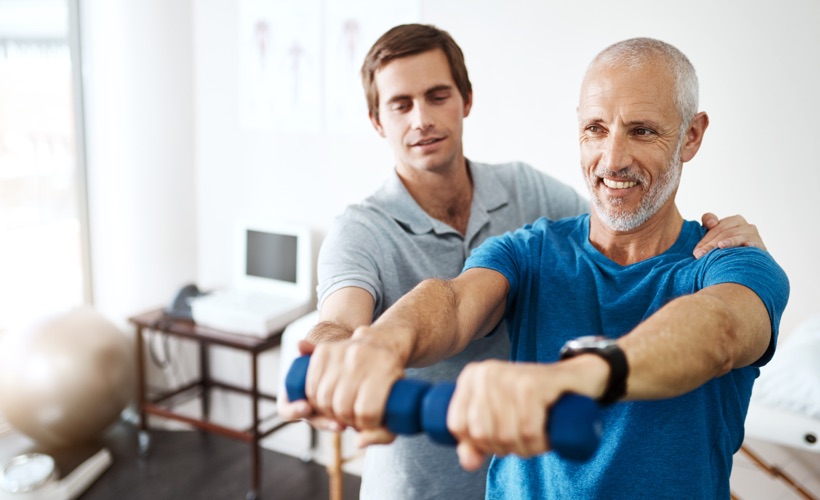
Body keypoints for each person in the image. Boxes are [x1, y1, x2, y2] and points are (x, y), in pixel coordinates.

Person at [280, 27, 771, 499]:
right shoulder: (527, 247)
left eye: (642, 131)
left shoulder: (732, 263)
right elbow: (451, 300)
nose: (612, 156)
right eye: (595, 129)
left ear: (691, 136)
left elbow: (720, 329)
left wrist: (577, 377)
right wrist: (380, 344)